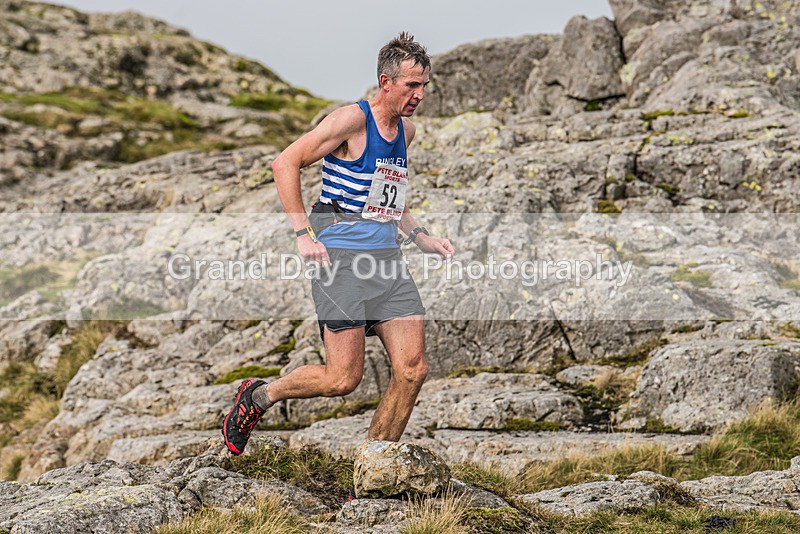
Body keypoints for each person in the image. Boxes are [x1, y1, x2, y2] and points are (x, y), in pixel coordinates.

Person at [222, 32, 454, 455]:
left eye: (425, 85)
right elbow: (284, 163)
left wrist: (422, 237)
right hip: (341, 259)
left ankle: (373, 469)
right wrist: (303, 234)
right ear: (386, 82)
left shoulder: (408, 132)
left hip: (386, 261)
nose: (420, 94)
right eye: (411, 85)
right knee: (342, 380)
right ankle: (259, 396)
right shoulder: (352, 120)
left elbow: (389, 199)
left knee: (412, 370)